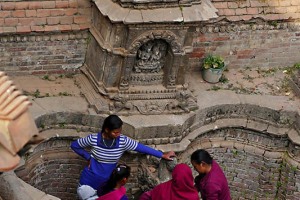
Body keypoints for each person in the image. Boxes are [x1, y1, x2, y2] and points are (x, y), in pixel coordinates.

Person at [71, 115, 175, 200]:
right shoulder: (93, 139)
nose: (118, 134)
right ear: (107, 130)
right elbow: (75, 145)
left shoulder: (123, 141)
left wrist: (162, 155)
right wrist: (88, 157)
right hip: (89, 181)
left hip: (107, 182)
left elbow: (140, 147)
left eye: (120, 131)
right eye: (115, 132)